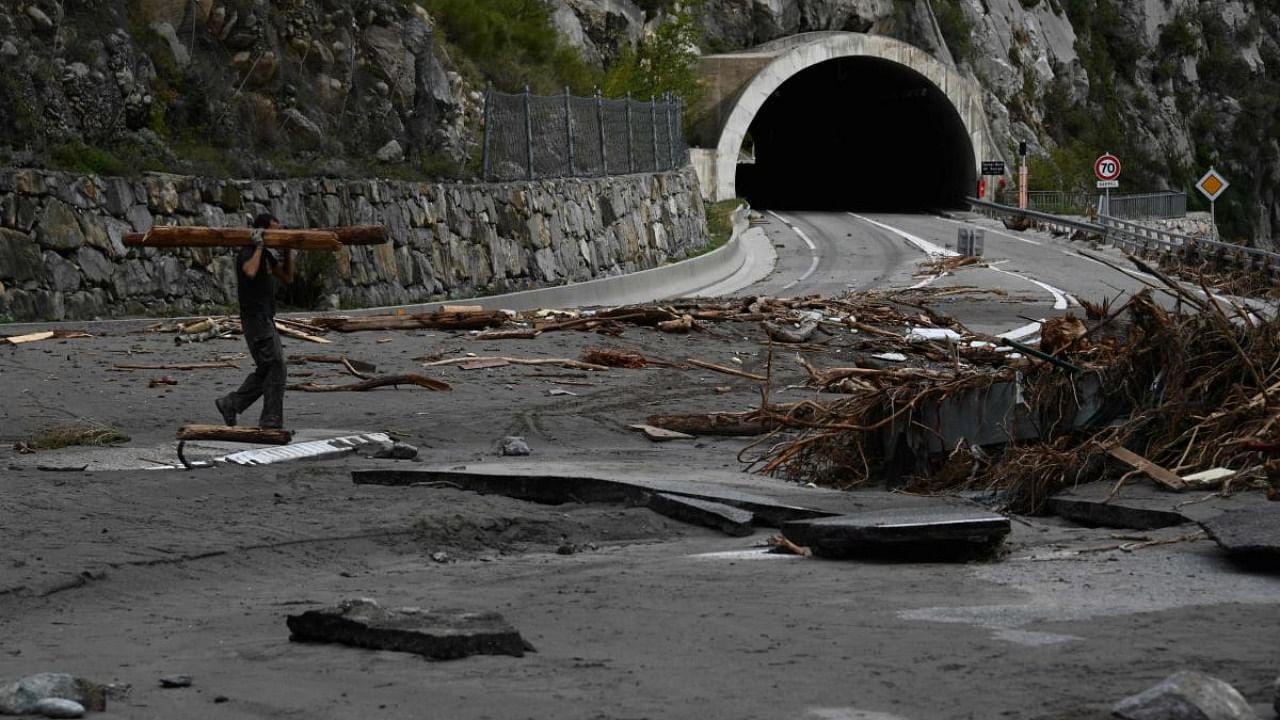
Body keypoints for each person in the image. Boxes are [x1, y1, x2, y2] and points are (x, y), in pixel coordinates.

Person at [215, 213, 294, 429]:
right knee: (276, 367)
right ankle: (270, 420)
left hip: (265, 318)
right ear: (262, 230)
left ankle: (231, 403)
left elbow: (287, 277)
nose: (277, 233)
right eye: (274, 230)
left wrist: (287, 251)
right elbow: (249, 271)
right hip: (255, 320)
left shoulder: (267, 256)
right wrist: (258, 247)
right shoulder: (249, 252)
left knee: (267, 369)